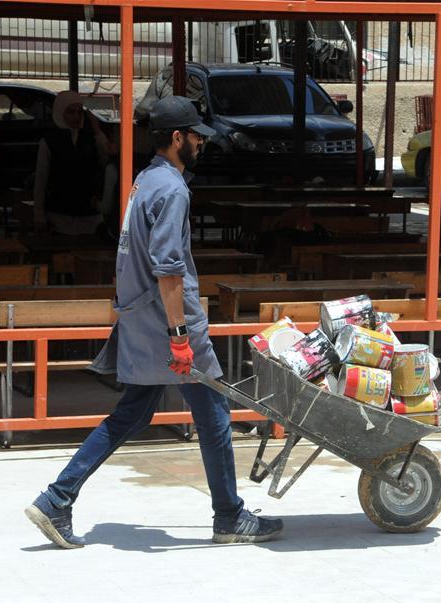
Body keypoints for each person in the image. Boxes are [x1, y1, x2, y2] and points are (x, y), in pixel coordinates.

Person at [24, 96, 283, 549]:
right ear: (177, 138)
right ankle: (229, 517)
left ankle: (56, 499)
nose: (202, 142)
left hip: (142, 318)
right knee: (214, 413)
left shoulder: (144, 181)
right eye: (197, 136)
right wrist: (181, 338)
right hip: (168, 323)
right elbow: (168, 268)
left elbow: (127, 257)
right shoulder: (173, 190)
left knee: (135, 411)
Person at [33, 90, 109, 235]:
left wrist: (97, 131)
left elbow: (107, 159)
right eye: (70, 112)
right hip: (60, 215)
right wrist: (39, 215)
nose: (76, 117)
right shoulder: (49, 141)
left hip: (89, 215)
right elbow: (41, 181)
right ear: (60, 112)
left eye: (79, 112)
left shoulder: (90, 138)